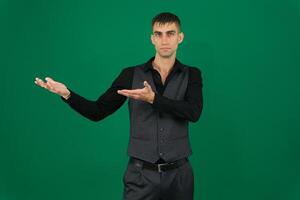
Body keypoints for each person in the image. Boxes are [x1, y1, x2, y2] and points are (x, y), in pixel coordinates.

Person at [35, 12, 203, 200]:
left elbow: (193, 112)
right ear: (152, 39)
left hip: (179, 176)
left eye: (170, 33)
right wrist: (67, 94)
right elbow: (98, 111)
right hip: (140, 176)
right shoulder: (130, 75)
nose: (164, 40)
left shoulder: (192, 75)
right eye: (158, 34)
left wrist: (153, 99)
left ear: (180, 37)